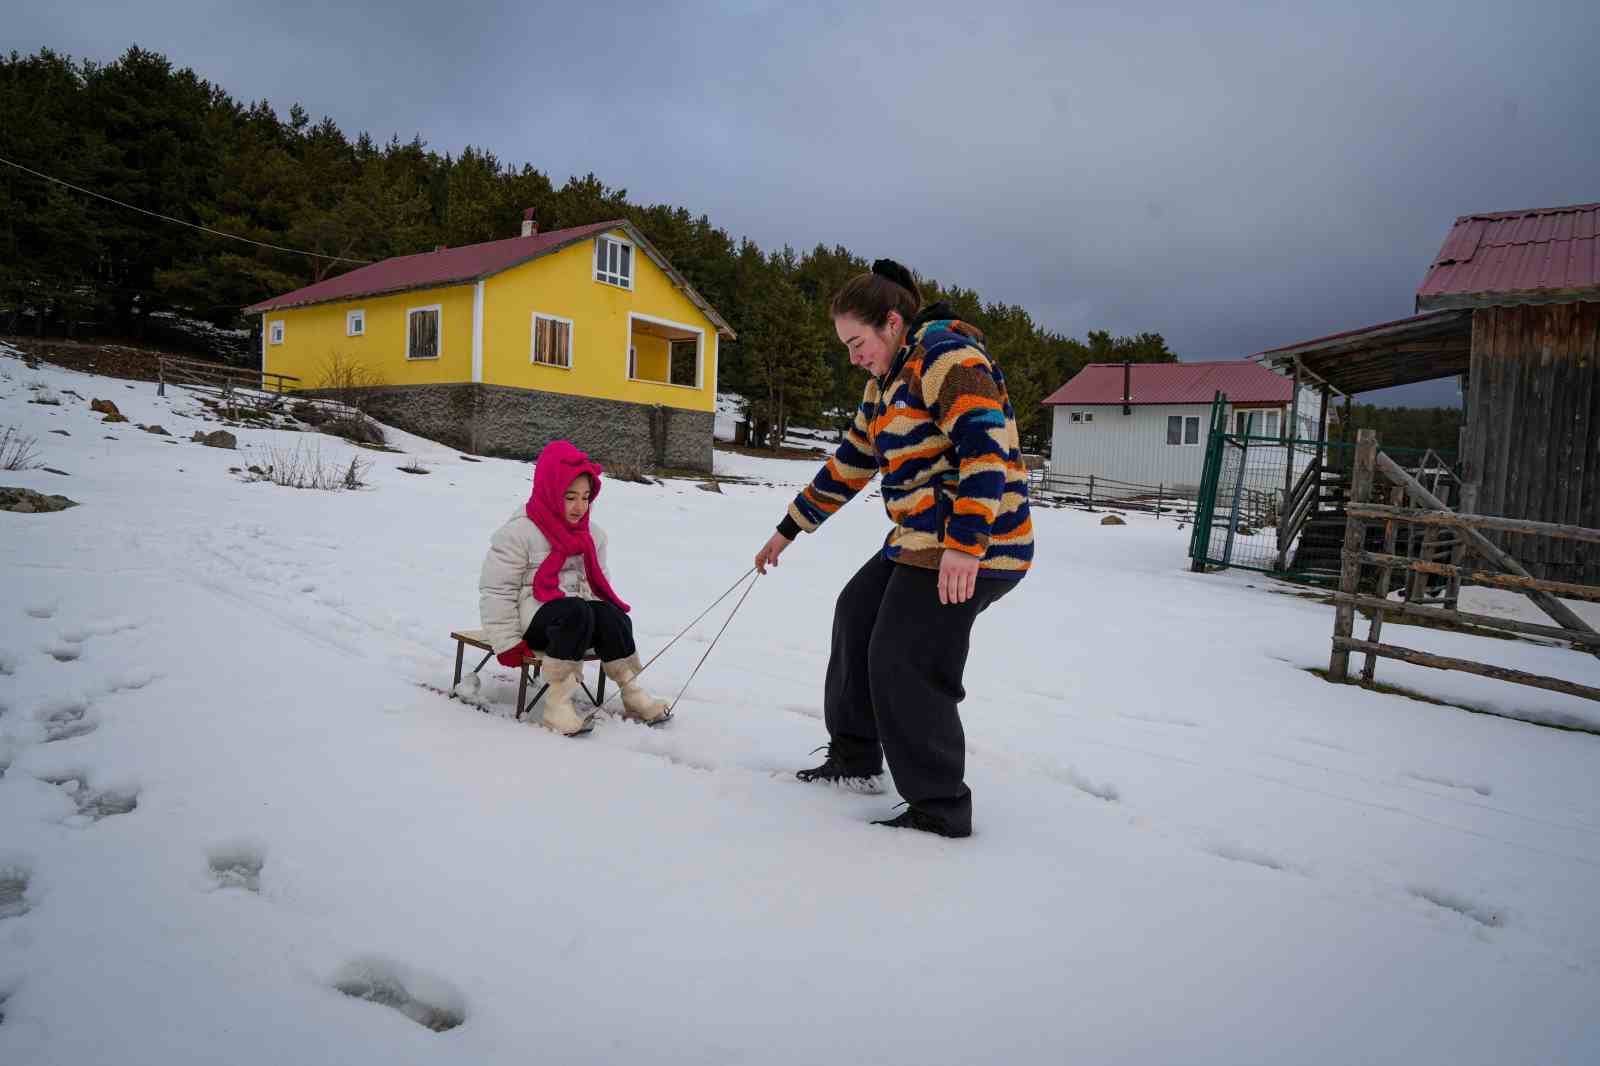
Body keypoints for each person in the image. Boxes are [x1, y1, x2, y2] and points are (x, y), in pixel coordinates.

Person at [753, 259, 1033, 838]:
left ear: (892, 322)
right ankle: (856, 759)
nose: (854, 356)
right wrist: (788, 529)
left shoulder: (949, 361)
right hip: (918, 539)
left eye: (858, 342)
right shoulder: (883, 385)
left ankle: (940, 806)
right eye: (846, 347)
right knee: (856, 616)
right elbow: (852, 462)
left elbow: (987, 453)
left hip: (978, 545)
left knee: (904, 660)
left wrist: (965, 545)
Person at [479, 440, 671, 735]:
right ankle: (558, 705)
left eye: (585, 497)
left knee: (611, 613)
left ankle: (632, 691)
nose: (579, 507)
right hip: (535, 620)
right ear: (550, 491)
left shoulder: (593, 536)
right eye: (570, 497)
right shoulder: (519, 533)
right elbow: (497, 591)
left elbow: (598, 586)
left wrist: (603, 620)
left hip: (576, 619)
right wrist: (506, 642)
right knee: (576, 611)